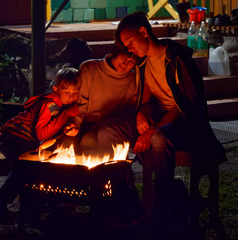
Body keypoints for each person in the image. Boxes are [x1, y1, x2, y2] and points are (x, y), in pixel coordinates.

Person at [115, 12, 227, 216]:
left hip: (188, 125)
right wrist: (142, 114)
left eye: (130, 42)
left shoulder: (175, 58)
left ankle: (164, 199)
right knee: (127, 131)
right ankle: (129, 201)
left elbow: (186, 105)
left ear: (143, 32)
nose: (129, 49)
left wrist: (153, 130)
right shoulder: (144, 64)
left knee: (158, 138)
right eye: (126, 46)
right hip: (162, 121)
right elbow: (148, 101)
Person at [0, 67, 81, 222]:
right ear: (55, 89)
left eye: (75, 93)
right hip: (13, 137)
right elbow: (41, 134)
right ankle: (1, 208)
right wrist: (65, 115)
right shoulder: (50, 105)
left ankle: (38, 205)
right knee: (24, 168)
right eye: (67, 93)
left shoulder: (60, 105)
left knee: (36, 166)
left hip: (24, 139)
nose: (72, 97)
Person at [71, 44, 142, 157]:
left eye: (132, 61)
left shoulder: (133, 80)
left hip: (110, 127)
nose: (126, 63)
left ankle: (115, 171)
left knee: (97, 140)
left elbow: (129, 112)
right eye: (124, 58)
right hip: (86, 124)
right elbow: (80, 106)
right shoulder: (90, 69)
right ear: (116, 53)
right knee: (75, 143)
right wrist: (76, 124)